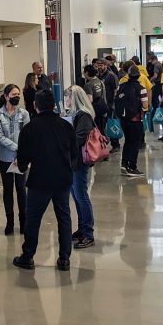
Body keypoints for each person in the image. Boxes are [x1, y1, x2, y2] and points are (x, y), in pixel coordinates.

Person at [12, 90, 77, 271]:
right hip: (63, 180)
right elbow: (74, 154)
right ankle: (64, 258)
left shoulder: (30, 128)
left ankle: (28, 256)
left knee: (33, 219)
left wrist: (23, 165)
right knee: (64, 217)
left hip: (39, 180)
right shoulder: (66, 126)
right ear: (54, 104)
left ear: (35, 105)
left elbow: (22, 161)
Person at [0, 84, 31, 235]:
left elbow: (27, 134)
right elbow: (0, 137)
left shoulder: (24, 114)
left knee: (21, 189)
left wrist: (22, 153)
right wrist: (17, 148)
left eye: (18, 94)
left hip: (21, 158)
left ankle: (23, 222)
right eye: (14, 94)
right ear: (6, 96)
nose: (17, 97)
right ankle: (10, 221)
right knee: (8, 189)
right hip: (4, 158)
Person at [63, 85, 96, 249]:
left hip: (79, 163)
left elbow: (79, 138)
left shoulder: (83, 116)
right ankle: (82, 229)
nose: (66, 101)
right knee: (76, 196)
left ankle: (88, 233)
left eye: (68, 98)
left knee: (81, 196)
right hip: (73, 162)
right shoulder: (75, 115)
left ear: (74, 98)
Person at [117, 67, 150, 176]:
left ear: (129, 75)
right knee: (135, 143)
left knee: (127, 141)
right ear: (139, 76)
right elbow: (145, 105)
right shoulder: (141, 88)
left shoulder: (121, 87)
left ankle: (124, 164)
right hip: (135, 120)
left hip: (123, 119)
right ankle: (132, 167)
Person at [82, 64, 108, 135]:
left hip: (95, 110)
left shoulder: (88, 85)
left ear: (87, 73)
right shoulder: (99, 81)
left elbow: (90, 100)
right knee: (101, 129)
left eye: (84, 72)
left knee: (96, 131)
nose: (83, 73)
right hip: (102, 108)